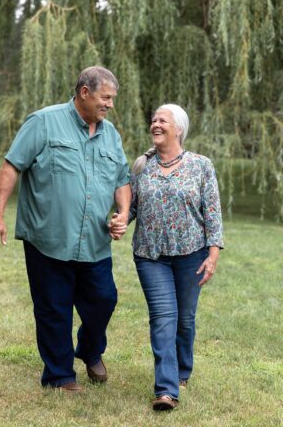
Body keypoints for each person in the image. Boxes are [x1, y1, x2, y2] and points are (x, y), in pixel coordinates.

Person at [0, 66, 131, 392]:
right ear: (84, 93)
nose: (110, 105)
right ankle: (60, 375)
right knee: (53, 308)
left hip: (93, 241)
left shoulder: (111, 135)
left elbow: (122, 179)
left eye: (112, 99)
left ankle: (90, 351)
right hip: (48, 238)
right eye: (105, 98)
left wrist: (122, 212)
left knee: (104, 300)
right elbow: (11, 166)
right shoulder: (44, 122)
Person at [121, 104, 223, 411]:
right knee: (164, 317)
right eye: (153, 119)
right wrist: (121, 220)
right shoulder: (141, 167)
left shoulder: (201, 165)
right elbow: (132, 208)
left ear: (177, 128)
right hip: (151, 256)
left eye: (161, 120)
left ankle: (182, 371)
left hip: (192, 255)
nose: (155, 124)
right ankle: (166, 390)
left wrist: (213, 253)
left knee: (185, 319)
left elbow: (213, 212)